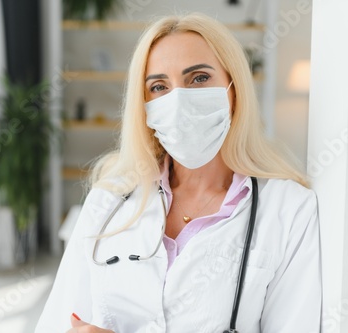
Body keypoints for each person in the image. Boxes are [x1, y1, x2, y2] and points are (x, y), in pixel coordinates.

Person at [35, 12, 322, 333]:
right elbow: (59, 323)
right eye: (159, 86)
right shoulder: (109, 199)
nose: (178, 100)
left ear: (234, 88)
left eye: (199, 78)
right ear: (143, 105)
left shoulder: (290, 210)